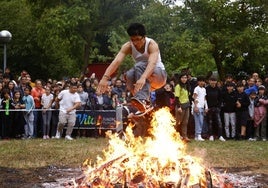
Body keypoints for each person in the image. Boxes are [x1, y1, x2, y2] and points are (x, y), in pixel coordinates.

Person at [97, 23, 167, 113]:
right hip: (145, 79)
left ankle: (142, 99)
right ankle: (143, 103)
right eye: (133, 40)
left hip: (159, 76)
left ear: (144, 37)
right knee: (128, 75)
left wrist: (143, 77)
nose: (136, 43)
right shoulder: (128, 46)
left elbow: (152, 63)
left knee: (139, 65)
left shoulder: (152, 45)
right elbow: (116, 62)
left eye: (138, 39)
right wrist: (104, 78)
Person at [205, 76, 225, 141]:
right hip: (209, 108)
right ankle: (211, 135)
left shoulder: (218, 89)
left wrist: (218, 107)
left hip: (216, 108)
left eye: (214, 82)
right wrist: (206, 107)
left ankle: (220, 135)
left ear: (216, 82)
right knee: (210, 122)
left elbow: (220, 99)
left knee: (219, 122)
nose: (213, 84)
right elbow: (205, 99)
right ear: (209, 81)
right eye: (212, 82)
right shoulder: (206, 89)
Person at [173, 73, 191, 142]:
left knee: (185, 122)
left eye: (185, 78)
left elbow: (188, 96)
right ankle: (173, 136)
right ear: (180, 79)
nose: (184, 79)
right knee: (178, 122)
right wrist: (179, 107)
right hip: (180, 106)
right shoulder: (178, 86)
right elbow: (176, 97)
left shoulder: (186, 86)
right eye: (183, 78)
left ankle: (184, 136)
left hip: (187, 106)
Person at [192, 76, 208, 141]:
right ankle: (198, 135)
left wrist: (206, 107)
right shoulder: (196, 89)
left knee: (201, 121)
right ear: (198, 82)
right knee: (198, 121)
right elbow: (194, 97)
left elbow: (204, 98)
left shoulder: (204, 89)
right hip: (197, 107)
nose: (202, 82)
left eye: (203, 81)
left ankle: (197, 136)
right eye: (200, 81)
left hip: (202, 107)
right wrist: (195, 106)